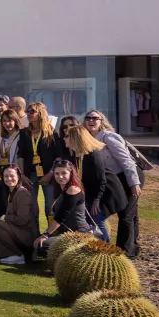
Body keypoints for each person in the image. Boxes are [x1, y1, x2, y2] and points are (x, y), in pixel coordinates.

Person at [83, 110, 142, 258]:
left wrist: (134, 183)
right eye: (88, 118)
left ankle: (124, 253)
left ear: (101, 121)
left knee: (126, 214)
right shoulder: (86, 138)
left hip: (127, 175)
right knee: (131, 214)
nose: (91, 120)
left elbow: (126, 161)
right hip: (113, 178)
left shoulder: (109, 137)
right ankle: (133, 246)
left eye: (95, 118)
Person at [62, 125, 128, 244]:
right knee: (92, 220)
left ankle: (105, 249)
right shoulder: (80, 155)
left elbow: (101, 179)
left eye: (67, 136)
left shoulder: (93, 154)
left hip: (107, 193)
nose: (64, 138)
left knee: (96, 220)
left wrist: (97, 199)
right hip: (95, 193)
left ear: (75, 138)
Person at [34, 159, 96, 255]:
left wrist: (45, 234)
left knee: (41, 245)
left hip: (78, 233)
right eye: (57, 174)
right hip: (66, 232)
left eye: (64, 173)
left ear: (71, 173)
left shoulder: (73, 189)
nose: (60, 176)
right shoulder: (61, 188)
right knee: (38, 244)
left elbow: (62, 216)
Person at [0, 165, 38, 265]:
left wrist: (4, 217)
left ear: (18, 176)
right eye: (6, 176)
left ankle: (16, 255)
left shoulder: (22, 192)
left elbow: (22, 220)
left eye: (12, 175)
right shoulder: (11, 191)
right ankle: (20, 253)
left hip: (25, 234)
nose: (9, 179)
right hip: (16, 231)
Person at [18, 102, 60, 217]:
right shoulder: (24, 132)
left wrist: (51, 174)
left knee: (49, 207)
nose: (28, 114)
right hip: (29, 174)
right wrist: (22, 174)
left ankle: (51, 234)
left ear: (40, 113)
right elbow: (20, 154)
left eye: (32, 111)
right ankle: (34, 233)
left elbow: (58, 156)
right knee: (32, 208)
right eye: (27, 111)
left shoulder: (51, 132)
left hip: (48, 173)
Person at [0, 109, 23, 175]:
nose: (7, 123)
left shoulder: (21, 135)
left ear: (15, 121)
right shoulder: (2, 137)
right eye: (4, 121)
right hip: (5, 172)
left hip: (18, 172)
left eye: (10, 120)